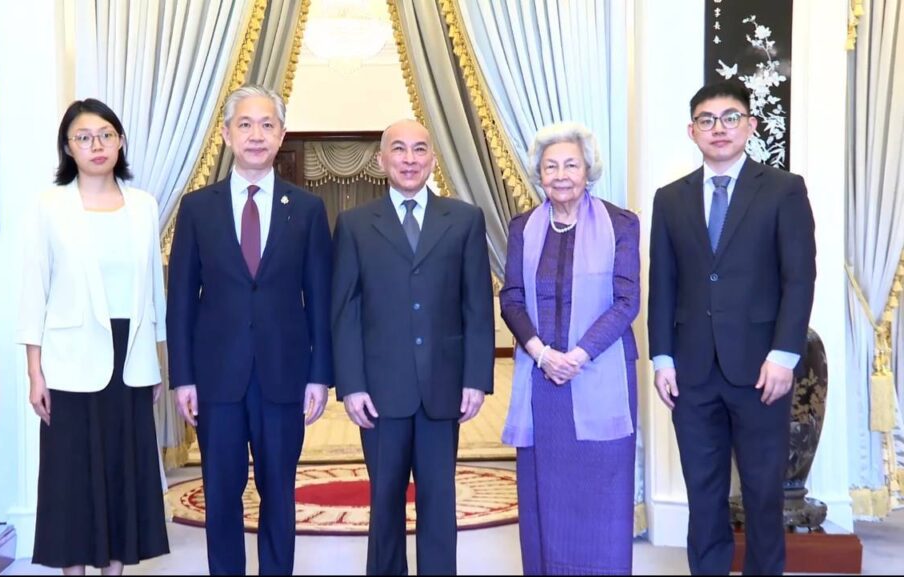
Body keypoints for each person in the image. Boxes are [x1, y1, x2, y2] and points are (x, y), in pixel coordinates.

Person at [648, 81, 817, 575]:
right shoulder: (670, 199)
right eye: (706, 120)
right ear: (692, 131)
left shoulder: (783, 189)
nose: (718, 128)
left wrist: (784, 354)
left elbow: (799, 277)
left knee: (763, 493)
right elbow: (663, 283)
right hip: (692, 371)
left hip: (762, 369)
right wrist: (663, 357)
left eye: (730, 117)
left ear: (750, 125)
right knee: (703, 493)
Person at [166, 84, 333, 576]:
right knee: (221, 494)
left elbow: (319, 299)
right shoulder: (197, 208)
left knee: (279, 492)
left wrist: (320, 375)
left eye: (266, 125)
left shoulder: (307, 209)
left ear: (281, 135)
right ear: (226, 134)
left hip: (284, 376)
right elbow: (181, 301)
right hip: (216, 377)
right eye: (245, 124)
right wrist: (183, 377)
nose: (256, 135)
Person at [331, 119, 494, 575]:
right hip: (380, 392)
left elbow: (477, 307)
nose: (409, 159)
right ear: (381, 159)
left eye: (419, 149)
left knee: (439, 503)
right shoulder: (355, 225)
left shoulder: (464, 219)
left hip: (444, 388)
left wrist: (476, 379)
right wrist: (351, 385)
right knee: (384, 505)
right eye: (399, 149)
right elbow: (345, 311)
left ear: (433, 159)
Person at [17, 98, 170, 575]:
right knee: (72, 477)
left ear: (120, 141)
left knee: (123, 471)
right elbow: (34, 290)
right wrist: (35, 372)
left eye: (105, 134)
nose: (96, 145)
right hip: (69, 358)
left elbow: (154, 290)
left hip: (130, 356)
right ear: (68, 147)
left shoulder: (143, 205)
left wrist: (156, 361)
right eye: (83, 137)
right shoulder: (50, 206)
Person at [499, 121, 640, 575]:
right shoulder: (522, 228)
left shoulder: (621, 224)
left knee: (602, 495)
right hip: (542, 382)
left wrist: (578, 355)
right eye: (551, 166)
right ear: (539, 174)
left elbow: (626, 300)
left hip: (600, 374)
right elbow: (511, 298)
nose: (561, 175)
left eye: (571, 165)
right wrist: (541, 354)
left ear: (588, 170)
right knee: (546, 496)